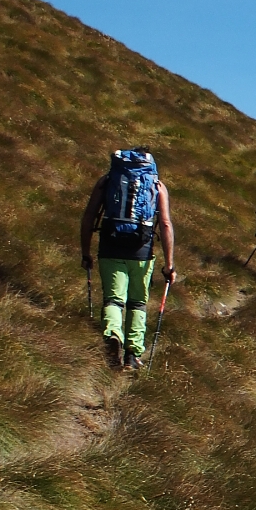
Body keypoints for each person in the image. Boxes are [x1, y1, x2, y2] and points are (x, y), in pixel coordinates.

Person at [80, 148, 176, 370]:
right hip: (141, 251)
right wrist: (169, 265)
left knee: (113, 299)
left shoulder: (107, 181)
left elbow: (88, 217)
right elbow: (166, 224)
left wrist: (85, 253)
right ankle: (132, 355)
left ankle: (113, 334)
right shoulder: (157, 186)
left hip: (111, 246)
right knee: (137, 303)